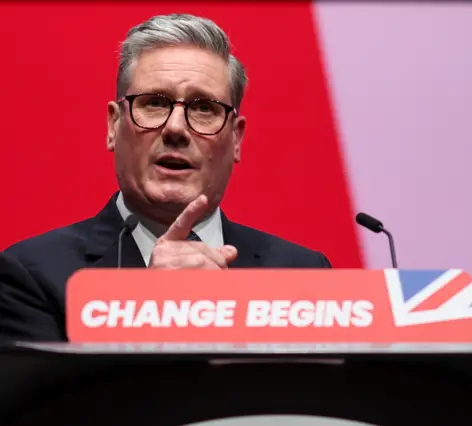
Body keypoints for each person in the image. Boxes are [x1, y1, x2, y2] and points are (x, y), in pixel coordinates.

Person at [0, 13, 331, 343]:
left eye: (204, 108)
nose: (176, 128)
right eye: (154, 103)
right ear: (114, 126)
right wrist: (150, 311)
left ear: (236, 139)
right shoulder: (30, 275)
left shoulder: (303, 273)